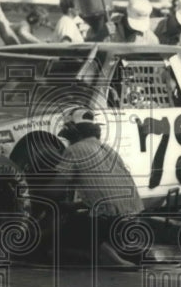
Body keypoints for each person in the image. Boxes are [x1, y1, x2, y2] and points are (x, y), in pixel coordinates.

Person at [41, 108, 146, 268]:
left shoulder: (74, 150)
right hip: (135, 225)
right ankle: (115, 252)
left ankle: (108, 257)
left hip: (108, 225)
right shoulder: (109, 150)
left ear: (73, 133)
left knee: (53, 244)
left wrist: (33, 192)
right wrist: (75, 205)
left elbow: (54, 191)